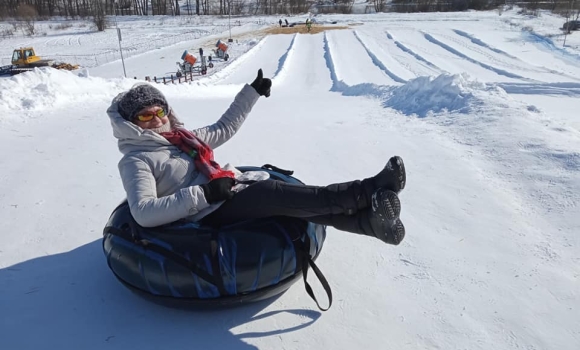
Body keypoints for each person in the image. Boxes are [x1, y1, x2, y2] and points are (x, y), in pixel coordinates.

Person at [107, 69, 407, 245]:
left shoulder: (184, 139)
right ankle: (367, 191)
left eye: (159, 111)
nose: (156, 119)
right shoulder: (136, 160)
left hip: (223, 193)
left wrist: (251, 93)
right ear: (132, 123)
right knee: (271, 193)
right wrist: (204, 193)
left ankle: (368, 223)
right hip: (202, 215)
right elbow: (144, 213)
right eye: (145, 116)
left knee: (284, 206)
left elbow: (223, 128)